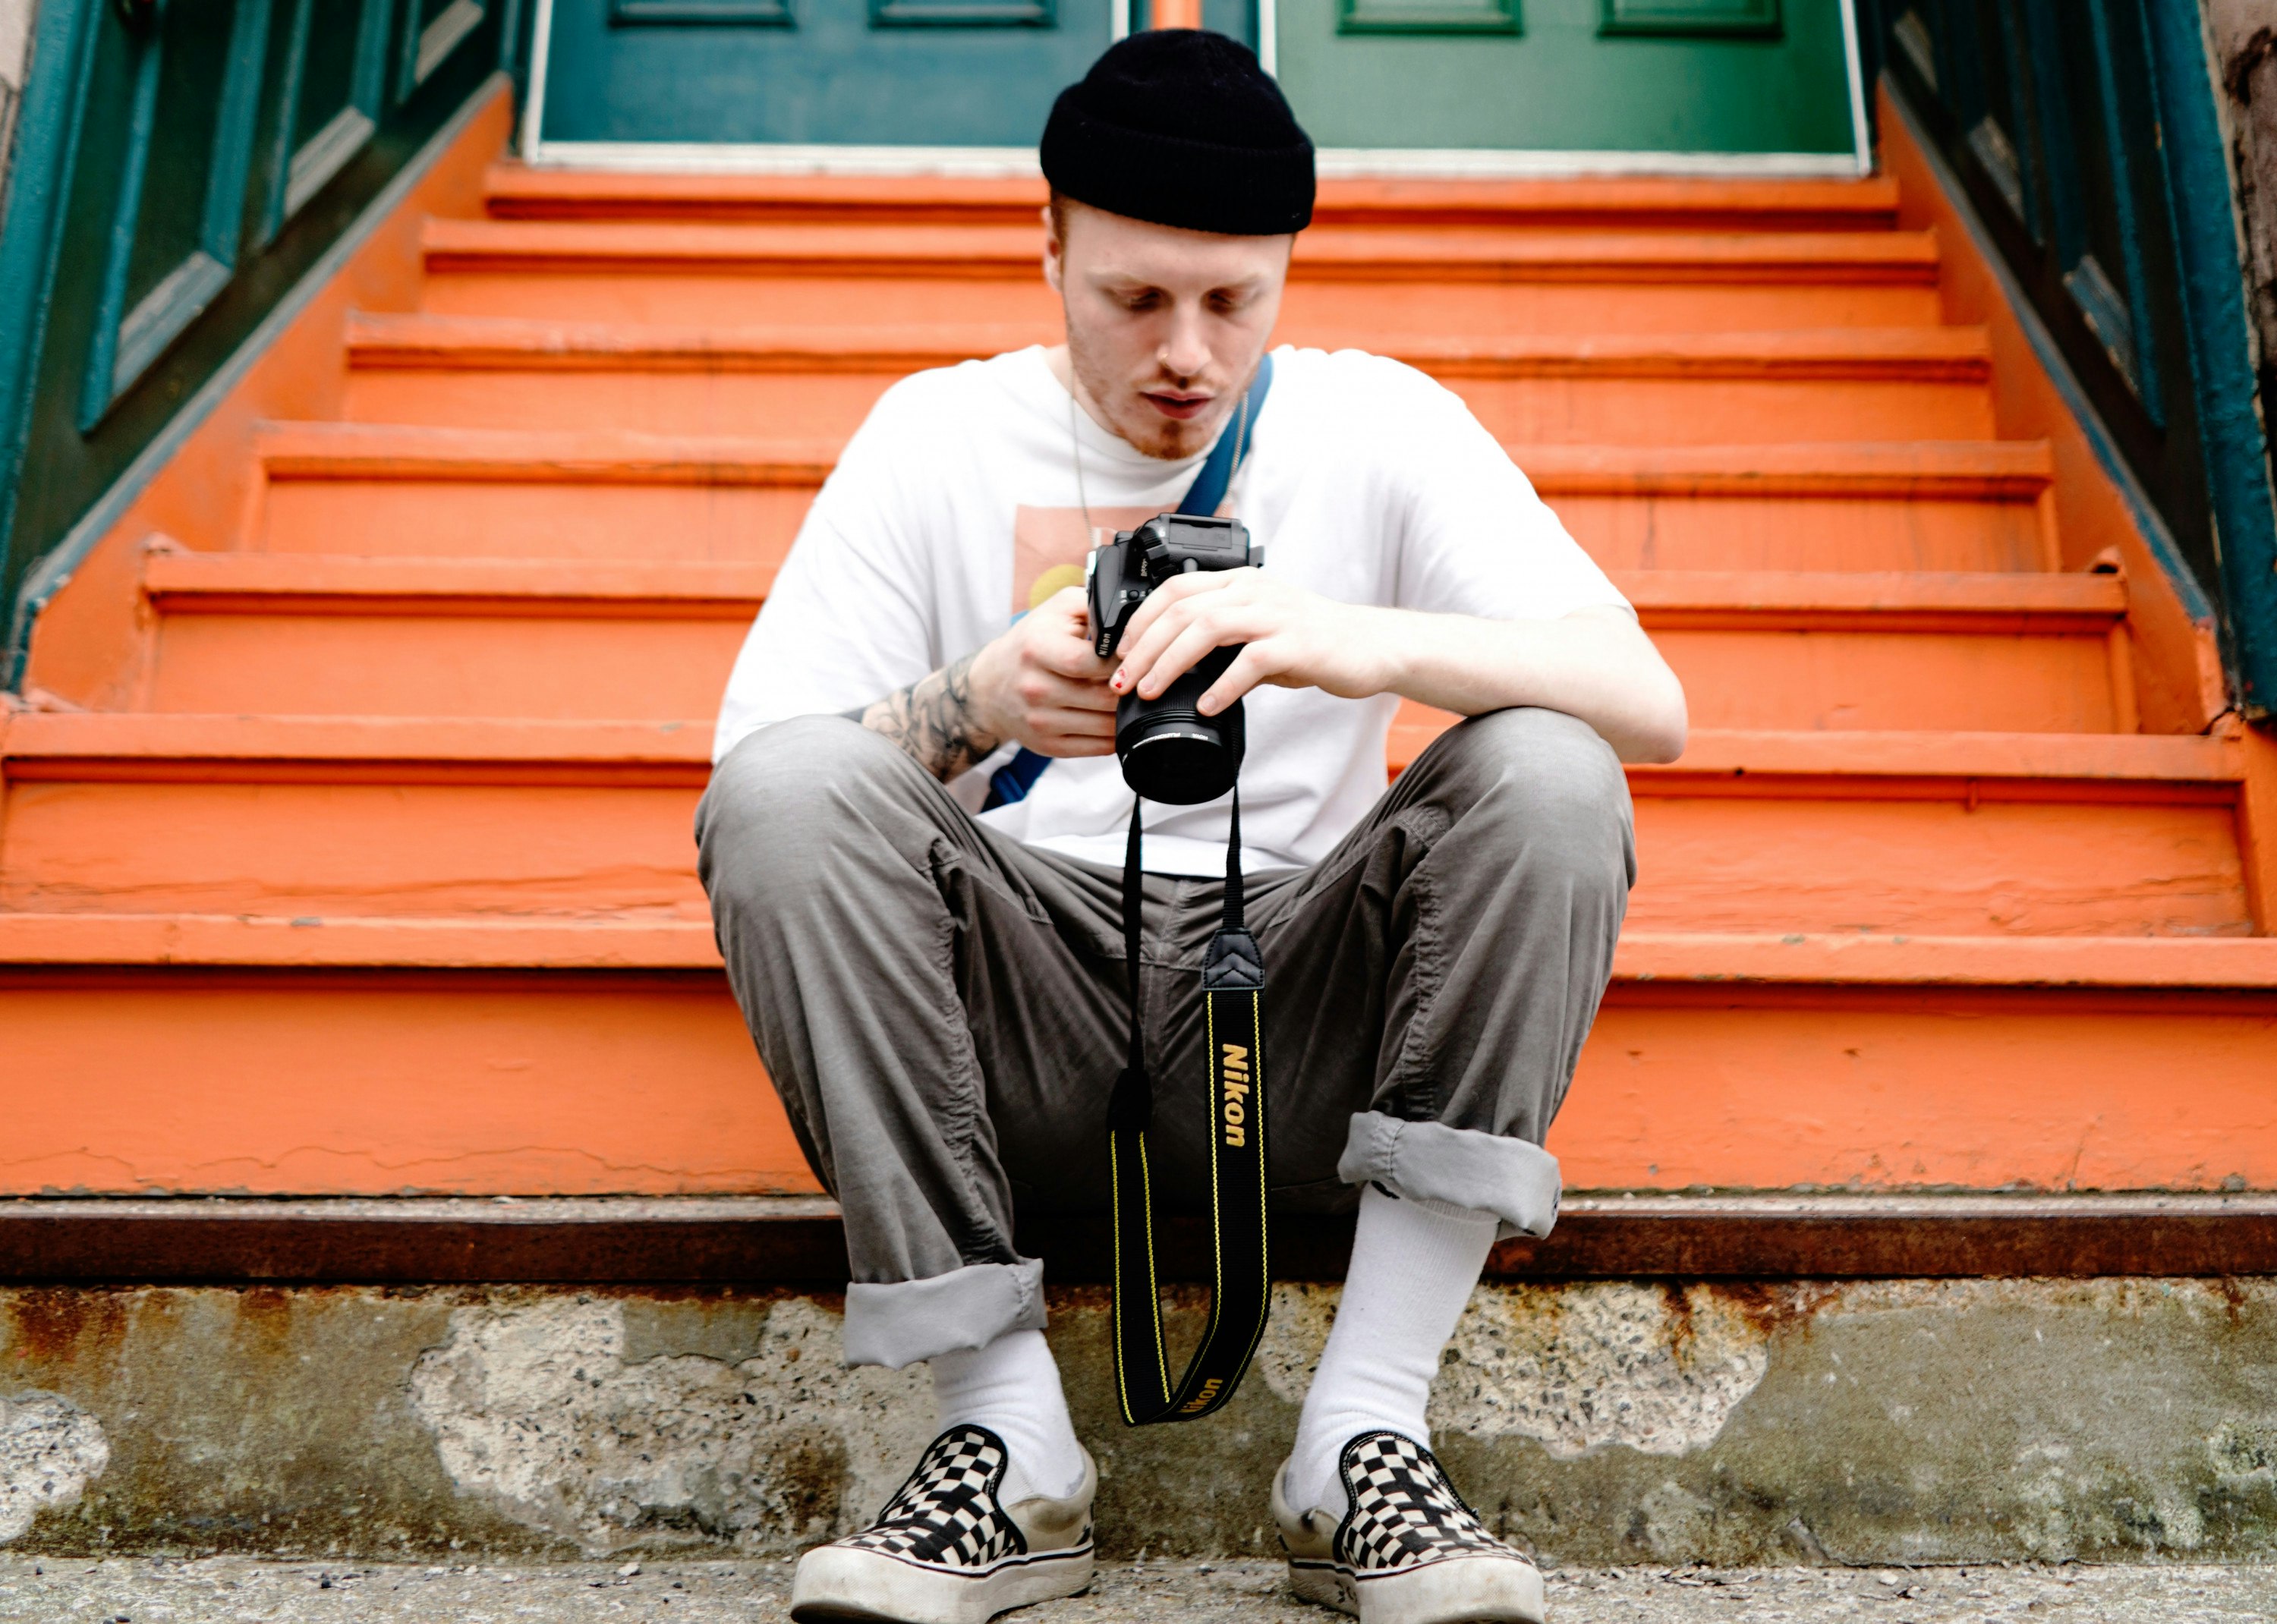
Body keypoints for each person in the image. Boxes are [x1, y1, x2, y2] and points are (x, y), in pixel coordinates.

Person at [697, 28, 1686, 1624]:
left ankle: (1364, 1431)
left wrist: (1363, 639)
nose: (1187, 354)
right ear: (1049, 248)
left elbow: (1650, 700)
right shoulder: (934, 436)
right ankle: (1004, 1435)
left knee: (1551, 768)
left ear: (1290, 272)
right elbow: (753, 782)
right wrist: (970, 703)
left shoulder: (1378, 425)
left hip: (1291, 1008)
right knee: (797, 789)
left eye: (1237, 301)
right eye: (1135, 298)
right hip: (1016, 1019)